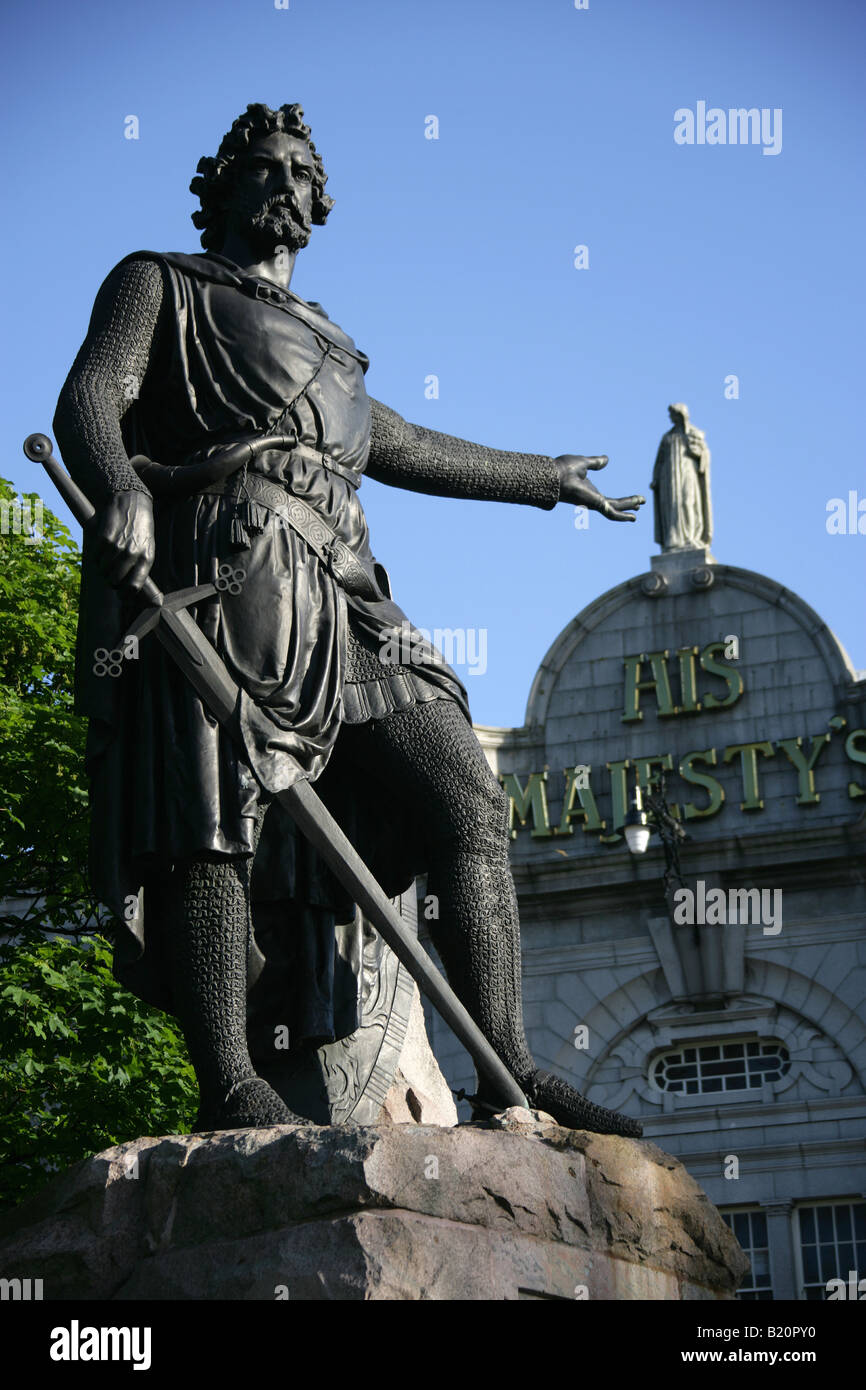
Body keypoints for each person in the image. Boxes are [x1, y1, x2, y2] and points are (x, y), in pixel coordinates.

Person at [54, 103, 646, 1137]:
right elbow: (92, 395)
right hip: (226, 564)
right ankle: (231, 1080)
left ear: (319, 203)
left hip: (345, 589)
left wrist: (540, 478)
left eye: (302, 171)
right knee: (215, 823)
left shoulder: (333, 342)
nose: (285, 184)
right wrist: (122, 491)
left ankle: (506, 1065)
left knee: (466, 794)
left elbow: (404, 444)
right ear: (223, 187)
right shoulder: (160, 281)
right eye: (266, 167)